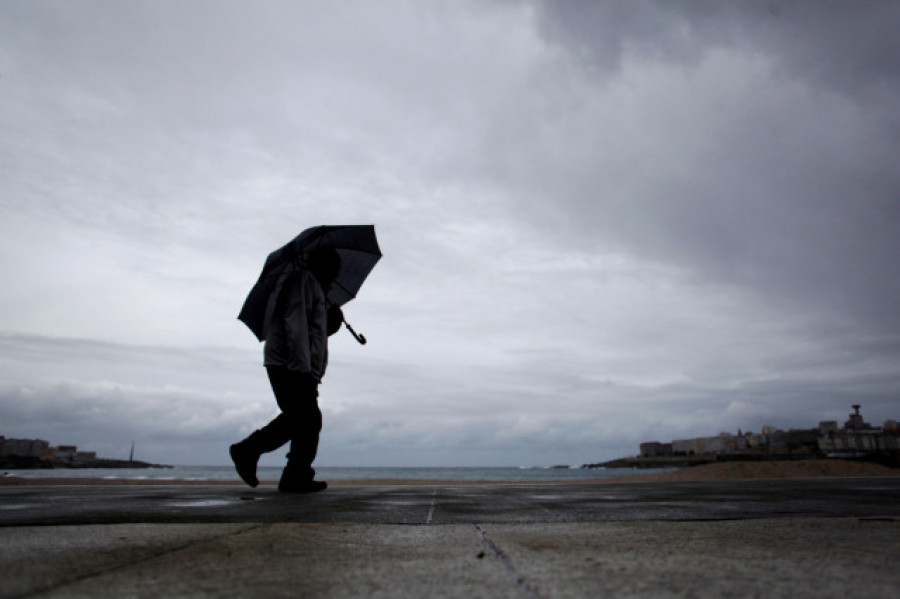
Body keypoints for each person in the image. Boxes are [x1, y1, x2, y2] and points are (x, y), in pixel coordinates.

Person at [230, 247, 343, 493]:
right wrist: (302, 368)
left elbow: (314, 331)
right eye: (334, 270)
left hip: (299, 365)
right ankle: (249, 451)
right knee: (304, 418)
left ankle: (295, 475)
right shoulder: (302, 281)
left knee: (307, 419)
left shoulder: (316, 289)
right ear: (324, 266)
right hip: (289, 363)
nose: (335, 276)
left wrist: (331, 322)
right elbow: (296, 324)